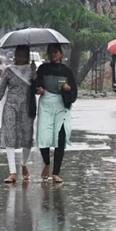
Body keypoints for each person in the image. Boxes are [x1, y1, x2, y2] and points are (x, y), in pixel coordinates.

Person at [0, 45, 36, 184]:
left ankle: (24, 164)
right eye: (18, 55)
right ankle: (12, 172)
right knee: (9, 137)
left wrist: (34, 73)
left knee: (27, 139)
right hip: (10, 107)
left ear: (27, 56)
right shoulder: (9, 71)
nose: (20, 58)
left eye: (23, 56)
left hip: (27, 108)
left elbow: (37, 89)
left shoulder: (32, 71)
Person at [34, 43, 77, 184]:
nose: (53, 54)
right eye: (50, 52)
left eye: (56, 52)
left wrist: (68, 88)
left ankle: (56, 172)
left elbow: (74, 91)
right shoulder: (42, 69)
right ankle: (46, 163)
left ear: (61, 54)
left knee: (60, 137)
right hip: (46, 104)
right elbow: (36, 86)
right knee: (43, 136)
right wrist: (37, 88)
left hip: (61, 105)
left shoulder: (67, 71)